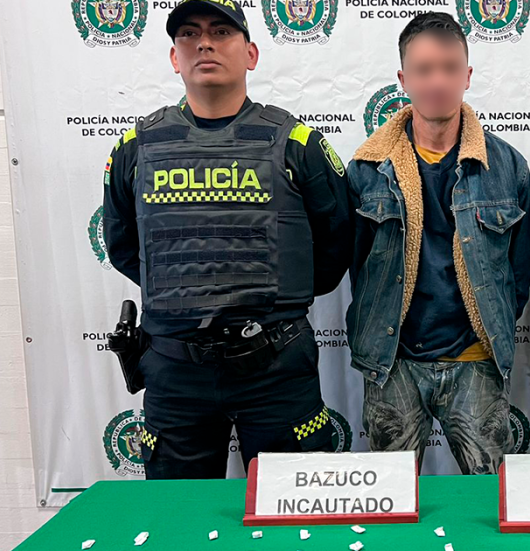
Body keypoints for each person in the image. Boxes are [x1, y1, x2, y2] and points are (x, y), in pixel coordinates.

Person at [102, 0, 352, 479]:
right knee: (179, 521)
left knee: (294, 517)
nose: (204, 43)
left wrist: (276, 296)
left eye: (220, 31)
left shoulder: (297, 143)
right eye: (189, 35)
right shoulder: (136, 148)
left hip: (276, 368)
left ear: (251, 53)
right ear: (175, 58)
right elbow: (125, 248)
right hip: (175, 371)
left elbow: (334, 246)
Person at [345, 12, 530, 475]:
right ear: (403, 79)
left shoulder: (507, 166)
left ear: (467, 75)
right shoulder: (367, 169)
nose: (438, 81)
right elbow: (355, 264)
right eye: (425, 69)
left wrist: (490, 330)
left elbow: (519, 271)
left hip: (476, 361)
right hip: (395, 361)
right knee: (391, 501)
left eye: (450, 68)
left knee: (490, 500)